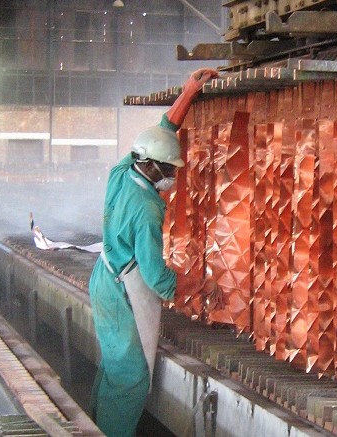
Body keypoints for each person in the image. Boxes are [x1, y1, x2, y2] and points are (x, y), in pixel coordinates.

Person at [89, 68, 217, 437]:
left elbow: (163, 129)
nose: (171, 175)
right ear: (152, 166)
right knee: (129, 376)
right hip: (121, 290)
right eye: (168, 169)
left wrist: (189, 92)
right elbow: (156, 278)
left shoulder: (122, 169)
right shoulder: (146, 209)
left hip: (104, 276)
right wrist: (198, 286)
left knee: (113, 362)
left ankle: (93, 424)